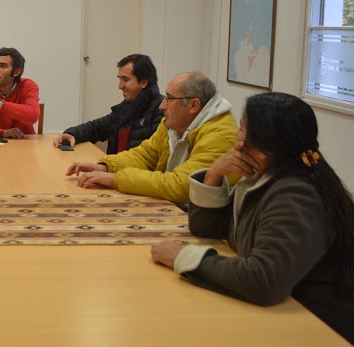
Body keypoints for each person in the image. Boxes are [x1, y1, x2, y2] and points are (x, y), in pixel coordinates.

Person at [150, 93, 354, 343]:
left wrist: (182, 257)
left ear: (267, 143)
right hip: (284, 315)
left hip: (315, 326)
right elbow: (208, 227)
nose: (237, 139)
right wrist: (214, 174)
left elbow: (265, 280)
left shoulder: (296, 194)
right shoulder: (266, 177)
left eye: (243, 130)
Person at [66, 72, 239, 204]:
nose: (162, 106)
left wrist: (117, 179)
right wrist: (105, 167)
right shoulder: (174, 124)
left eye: (169, 99)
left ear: (194, 105)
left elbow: (180, 186)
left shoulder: (219, 136)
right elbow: (144, 155)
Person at [53, 54, 163, 152]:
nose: (120, 86)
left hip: (131, 174)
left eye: (125, 80)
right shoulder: (125, 108)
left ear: (143, 82)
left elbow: (152, 158)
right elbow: (96, 127)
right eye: (119, 79)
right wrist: (72, 134)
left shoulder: (161, 110)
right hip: (114, 169)